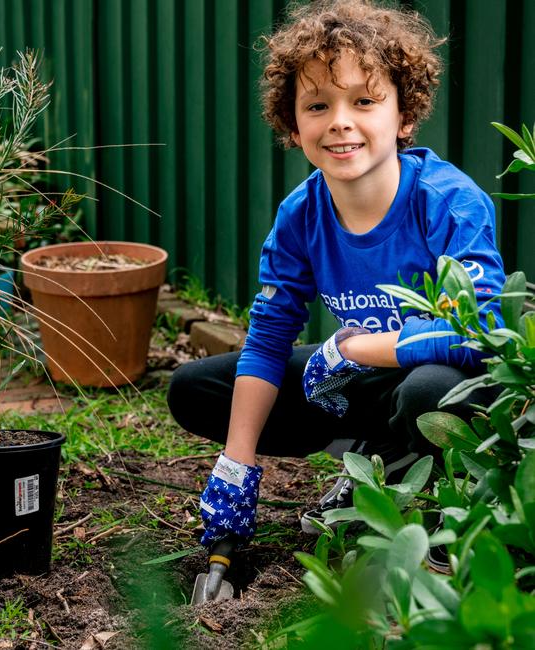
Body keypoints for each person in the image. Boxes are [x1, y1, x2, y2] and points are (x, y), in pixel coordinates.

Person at [167, 0, 506, 547]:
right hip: (363, 384)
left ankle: (428, 500)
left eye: (365, 101)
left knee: (431, 393)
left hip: (445, 382)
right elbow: (269, 337)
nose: (341, 121)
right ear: (293, 125)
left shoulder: (447, 203)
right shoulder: (300, 215)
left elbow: (477, 334)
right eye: (318, 105)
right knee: (196, 389)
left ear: (404, 115)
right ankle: (367, 459)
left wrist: (351, 352)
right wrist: (237, 466)